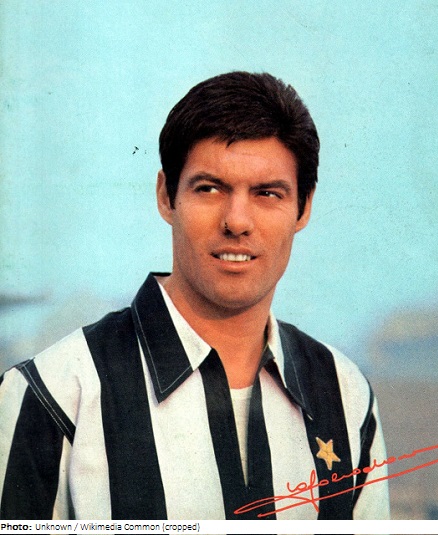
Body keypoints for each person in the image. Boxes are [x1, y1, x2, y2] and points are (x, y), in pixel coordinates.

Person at [0, 72, 390, 520]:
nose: (237, 221)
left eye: (267, 193)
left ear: (303, 208)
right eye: (210, 188)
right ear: (166, 196)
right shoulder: (53, 395)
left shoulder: (346, 396)